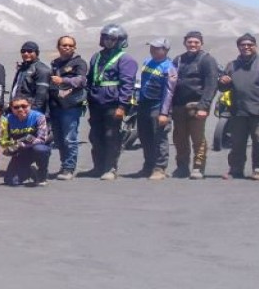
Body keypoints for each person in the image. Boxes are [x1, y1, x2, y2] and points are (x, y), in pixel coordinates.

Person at [219, 34, 259, 180]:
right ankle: (235, 169)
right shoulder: (232, 65)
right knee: (237, 142)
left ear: (255, 46)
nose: (246, 47)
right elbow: (223, 88)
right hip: (238, 110)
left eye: (249, 44)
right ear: (238, 47)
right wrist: (222, 82)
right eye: (243, 45)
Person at [85, 24, 138, 180]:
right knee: (95, 135)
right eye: (106, 38)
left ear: (120, 40)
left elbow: (127, 84)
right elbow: (90, 79)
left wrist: (122, 105)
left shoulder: (126, 59)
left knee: (111, 135)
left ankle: (110, 167)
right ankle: (98, 166)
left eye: (112, 39)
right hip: (95, 102)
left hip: (113, 103)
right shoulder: (97, 56)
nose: (108, 41)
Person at [170, 31, 219, 180]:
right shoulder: (178, 60)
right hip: (178, 106)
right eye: (190, 42)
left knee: (198, 139)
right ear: (185, 43)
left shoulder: (207, 60)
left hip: (197, 105)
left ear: (201, 44)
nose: (193, 45)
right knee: (179, 139)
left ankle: (198, 167)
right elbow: (171, 83)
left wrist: (204, 107)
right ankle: (182, 167)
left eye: (196, 42)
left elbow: (211, 84)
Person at [133, 39, 177, 180]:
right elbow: (140, 82)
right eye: (151, 47)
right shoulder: (147, 62)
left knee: (159, 138)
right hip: (144, 104)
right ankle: (148, 166)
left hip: (158, 105)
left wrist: (164, 113)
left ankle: (160, 168)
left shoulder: (169, 67)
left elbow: (169, 92)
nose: (153, 50)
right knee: (145, 137)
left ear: (165, 50)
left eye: (157, 48)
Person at [48, 36, 88, 180]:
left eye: (70, 45)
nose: (67, 47)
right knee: (58, 139)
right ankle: (64, 165)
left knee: (69, 138)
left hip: (71, 105)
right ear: (58, 47)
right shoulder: (55, 63)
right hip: (56, 105)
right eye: (64, 45)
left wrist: (64, 80)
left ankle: (69, 168)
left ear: (74, 47)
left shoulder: (79, 63)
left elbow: (81, 80)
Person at [0, 99, 52, 186]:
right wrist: (12, 146)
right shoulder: (6, 120)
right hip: (21, 152)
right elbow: (3, 141)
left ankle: (42, 173)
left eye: (24, 106)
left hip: (37, 149)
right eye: (16, 107)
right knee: (11, 181)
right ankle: (31, 171)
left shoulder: (39, 117)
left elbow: (41, 139)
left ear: (29, 106)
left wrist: (23, 145)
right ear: (11, 108)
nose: (20, 109)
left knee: (41, 149)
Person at [10, 41, 52, 113]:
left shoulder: (42, 69)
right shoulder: (22, 68)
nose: (26, 53)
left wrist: (33, 112)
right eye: (23, 51)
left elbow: (41, 95)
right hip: (19, 109)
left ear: (37, 53)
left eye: (30, 51)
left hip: (31, 111)